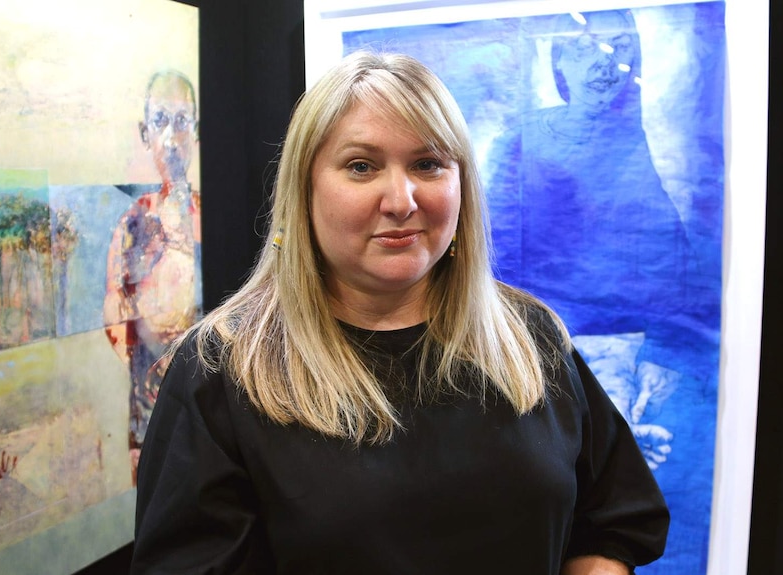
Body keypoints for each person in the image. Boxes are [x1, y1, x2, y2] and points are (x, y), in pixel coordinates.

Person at [131, 51, 669, 574]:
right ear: (305, 187)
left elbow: (612, 518)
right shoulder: (222, 372)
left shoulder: (531, 337)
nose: (401, 199)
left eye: (428, 164)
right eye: (361, 166)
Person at [484, 9, 691, 469]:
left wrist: (659, 353)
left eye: (619, 47)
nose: (603, 64)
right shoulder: (524, 136)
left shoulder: (646, 137)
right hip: (527, 350)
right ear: (559, 62)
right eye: (581, 49)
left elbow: (674, 259)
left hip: (623, 352)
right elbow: (486, 253)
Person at [103, 70, 201, 484]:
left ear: (196, 131)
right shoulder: (133, 221)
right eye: (161, 121)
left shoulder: (206, 215)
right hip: (148, 395)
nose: (171, 138)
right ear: (145, 133)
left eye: (182, 122)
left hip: (206, 387)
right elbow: (113, 310)